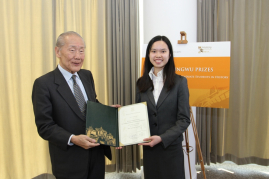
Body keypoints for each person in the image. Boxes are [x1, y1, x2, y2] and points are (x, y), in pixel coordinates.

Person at [32, 31, 118, 179]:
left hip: (96, 154)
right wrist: (73, 138)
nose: (78, 56)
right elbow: (45, 126)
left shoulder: (87, 75)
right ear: (57, 51)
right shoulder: (43, 84)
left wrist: (107, 111)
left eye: (81, 50)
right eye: (72, 50)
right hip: (69, 160)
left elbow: (92, 105)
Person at [136, 35, 191, 179]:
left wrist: (161, 138)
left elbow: (184, 119)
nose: (158, 55)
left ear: (170, 54)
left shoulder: (180, 82)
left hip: (170, 147)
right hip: (150, 149)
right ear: (148, 54)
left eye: (163, 51)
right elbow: (138, 113)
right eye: (154, 51)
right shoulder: (141, 82)